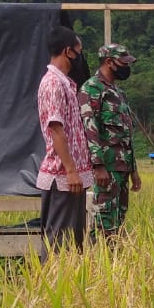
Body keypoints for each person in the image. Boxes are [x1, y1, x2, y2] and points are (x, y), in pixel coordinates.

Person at [34, 26, 94, 258]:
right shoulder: (53, 84)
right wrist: (70, 171)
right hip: (62, 177)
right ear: (68, 51)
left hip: (72, 178)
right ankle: (49, 289)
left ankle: (70, 291)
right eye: (79, 51)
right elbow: (56, 129)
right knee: (57, 246)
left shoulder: (66, 84)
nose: (81, 57)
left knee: (74, 246)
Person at [80, 43, 142, 239]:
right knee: (104, 217)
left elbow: (126, 135)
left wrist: (134, 170)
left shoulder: (118, 93)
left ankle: (115, 261)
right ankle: (99, 261)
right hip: (106, 167)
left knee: (119, 217)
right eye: (122, 63)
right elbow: (90, 130)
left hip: (122, 167)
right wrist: (98, 166)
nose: (126, 67)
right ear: (109, 62)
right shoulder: (92, 89)